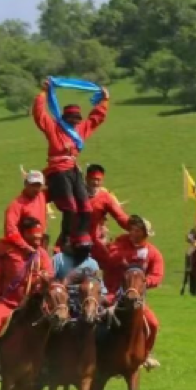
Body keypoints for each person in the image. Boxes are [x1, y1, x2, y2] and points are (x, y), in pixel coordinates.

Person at [33, 79, 110, 250]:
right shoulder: (54, 128)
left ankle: (81, 237)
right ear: (65, 118)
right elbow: (39, 114)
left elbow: (95, 119)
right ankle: (65, 240)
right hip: (58, 171)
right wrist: (43, 93)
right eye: (72, 118)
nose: (75, 121)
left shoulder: (80, 130)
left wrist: (104, 100)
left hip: (73, 170)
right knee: (70, 208)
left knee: (86, 207)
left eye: (77, 119)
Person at [0, 216, 54, 370]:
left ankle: (49, 360)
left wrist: (44, 277)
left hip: (34, 301)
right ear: (24, 234)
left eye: (39, 237)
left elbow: (49, 272)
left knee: (55, 321)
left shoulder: (41, 254)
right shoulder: (6, 248)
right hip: (10, 301)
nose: (37, 239)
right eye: (34, 236)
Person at [102, 215, 164, 371]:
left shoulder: (153, 253)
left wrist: (144, 282)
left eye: (138, 231)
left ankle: (145, 354)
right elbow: (110, 258)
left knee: (153, 324)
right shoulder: (120, 243)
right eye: (132, 229)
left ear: (145, 234)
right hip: (113, 292)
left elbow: (157, 275)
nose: (133, 233)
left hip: (136, 297)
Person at [86, 164, 129, 265]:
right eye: (93, 179)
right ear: (86, 178)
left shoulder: (105, 197)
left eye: (98, 180)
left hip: (94, 241)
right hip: (74, 239)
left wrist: (135, 227)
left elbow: (120, 216)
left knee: (110, 265)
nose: (96, 182)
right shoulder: (76, 193)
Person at [3, 171, 48, 253]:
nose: (36, 189)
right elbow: (10, 231)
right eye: (33, 185)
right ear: (26, 184)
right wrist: (26, 247)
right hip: (22, 251)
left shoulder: (41, 195)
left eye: (38, 185)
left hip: (40, 248)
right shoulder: (16, 206)